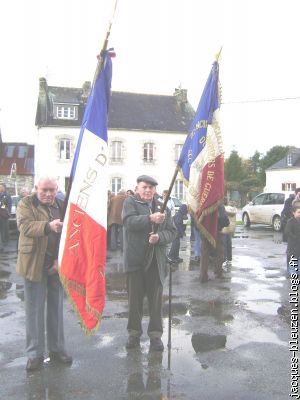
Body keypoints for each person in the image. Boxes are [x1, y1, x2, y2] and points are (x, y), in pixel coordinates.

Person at [16, 176, 72, 371]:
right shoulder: (25, 204)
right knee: (34, 310)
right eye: (44, 190)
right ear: (36, 189)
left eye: (52, 190)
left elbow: (67, 235)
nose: (48, 194)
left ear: (57, 189)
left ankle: (57, 349)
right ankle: (34, 354)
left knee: (56, 308)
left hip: (56, 264)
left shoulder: (62, 205)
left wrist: (59, 260)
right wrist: (48, 226)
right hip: (33, 263)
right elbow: (25, 226)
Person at [122, 175, 176, 351]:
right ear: (137, 188)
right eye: (144, 187)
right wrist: (150, 219)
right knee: (134, 302)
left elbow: (172, 232)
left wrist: (159, 237)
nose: (148, 190)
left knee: (155, 302)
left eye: (151, 188)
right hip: (135, 260)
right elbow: (129, 222)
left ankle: (155, 336)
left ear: (155, 190)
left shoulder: (162, 206)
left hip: (155, 261)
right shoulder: (130, 203)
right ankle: (134, 334)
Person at [199, 203, 229, 283]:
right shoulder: (219, 204)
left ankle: (203, 276)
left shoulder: (203, 203)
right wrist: (222, 225)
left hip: (205, 231)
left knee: (205, 254)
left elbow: (197, 218)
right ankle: (218, 273)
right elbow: (224, 218)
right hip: (216, 232)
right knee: (219, 253)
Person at [284, 202, 300, 277]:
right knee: (293, 262)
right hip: (293, 247)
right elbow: (287, 232)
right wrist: (295, 237)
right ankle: (292, 275)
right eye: (298, 212)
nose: (299, 214)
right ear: (293, 213)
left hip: (298, 248)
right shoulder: (290, 221)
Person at [221, 198, 237, 271]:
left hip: (224, 228)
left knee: (223, 245)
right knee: (229, 244)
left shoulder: (223, 209)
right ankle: (229, 259)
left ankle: (224, 259)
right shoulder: (234, 209)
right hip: (231, 228)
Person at [0, 183, 12, 247]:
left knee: (4, 229)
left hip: (4, 215)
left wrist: (8, 213)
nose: (0, 188)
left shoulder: (7, 195)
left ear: (4, 188)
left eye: (1, 187)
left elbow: (7, 205)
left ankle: (5, 242)